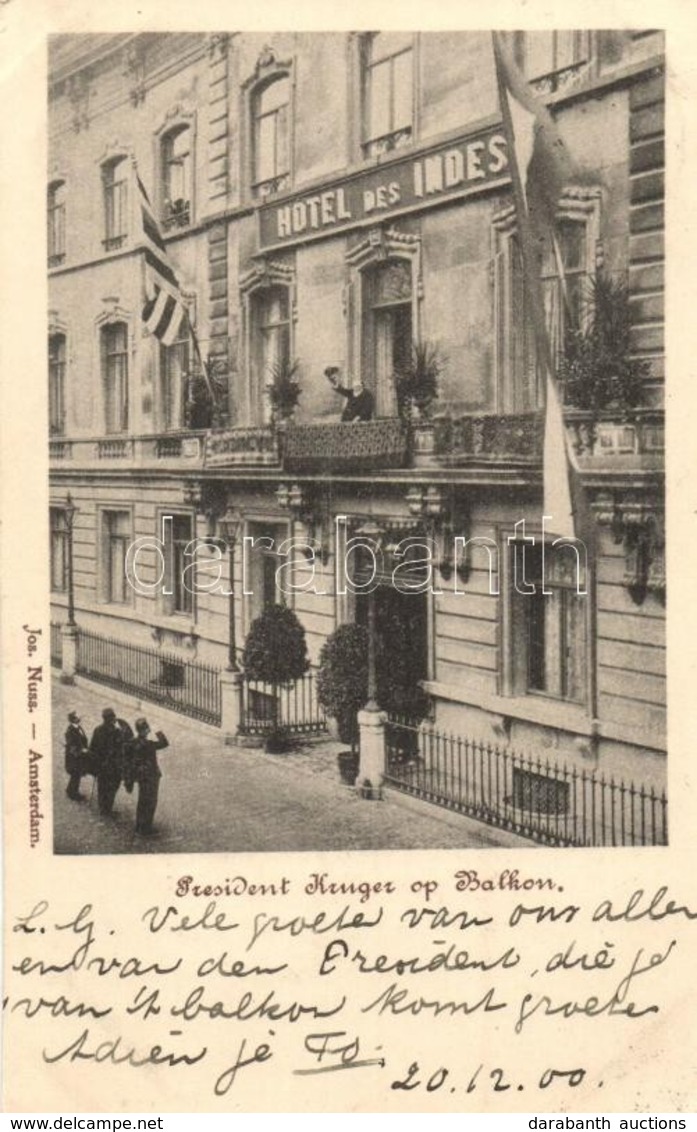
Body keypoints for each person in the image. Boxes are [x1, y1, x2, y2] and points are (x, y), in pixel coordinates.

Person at [125, 717, 169, 836]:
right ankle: (146, 828)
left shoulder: (133, 742)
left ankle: (139, 825)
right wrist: (158, 731)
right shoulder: (148, 744)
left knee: (142, 801)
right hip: (151, 776)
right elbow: (164, 743)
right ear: (145, 730)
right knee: (150, 802)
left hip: (141, 776)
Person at [88, 707, 133, 816]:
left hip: (101, 766)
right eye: (113, 717)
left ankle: (103, 807)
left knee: (102, 787)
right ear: (111, 718)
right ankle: (107, 809)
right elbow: (125, 742)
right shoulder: (116, 732)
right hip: (113, 766)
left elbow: (92, 748)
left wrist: (95, 764)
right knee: (112, 788)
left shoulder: (97, 729)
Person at [64, 710, 89, 801]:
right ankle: (73, 793)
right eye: (78, 717)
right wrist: (81, 750)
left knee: (77, 775)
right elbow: (71, 745)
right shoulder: (71, 730)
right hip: (74, 757)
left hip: (79, 756)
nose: (80, 718)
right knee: (75, 774)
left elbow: (82, 739)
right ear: (74, 720)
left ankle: (71, 790)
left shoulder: (78, 727)